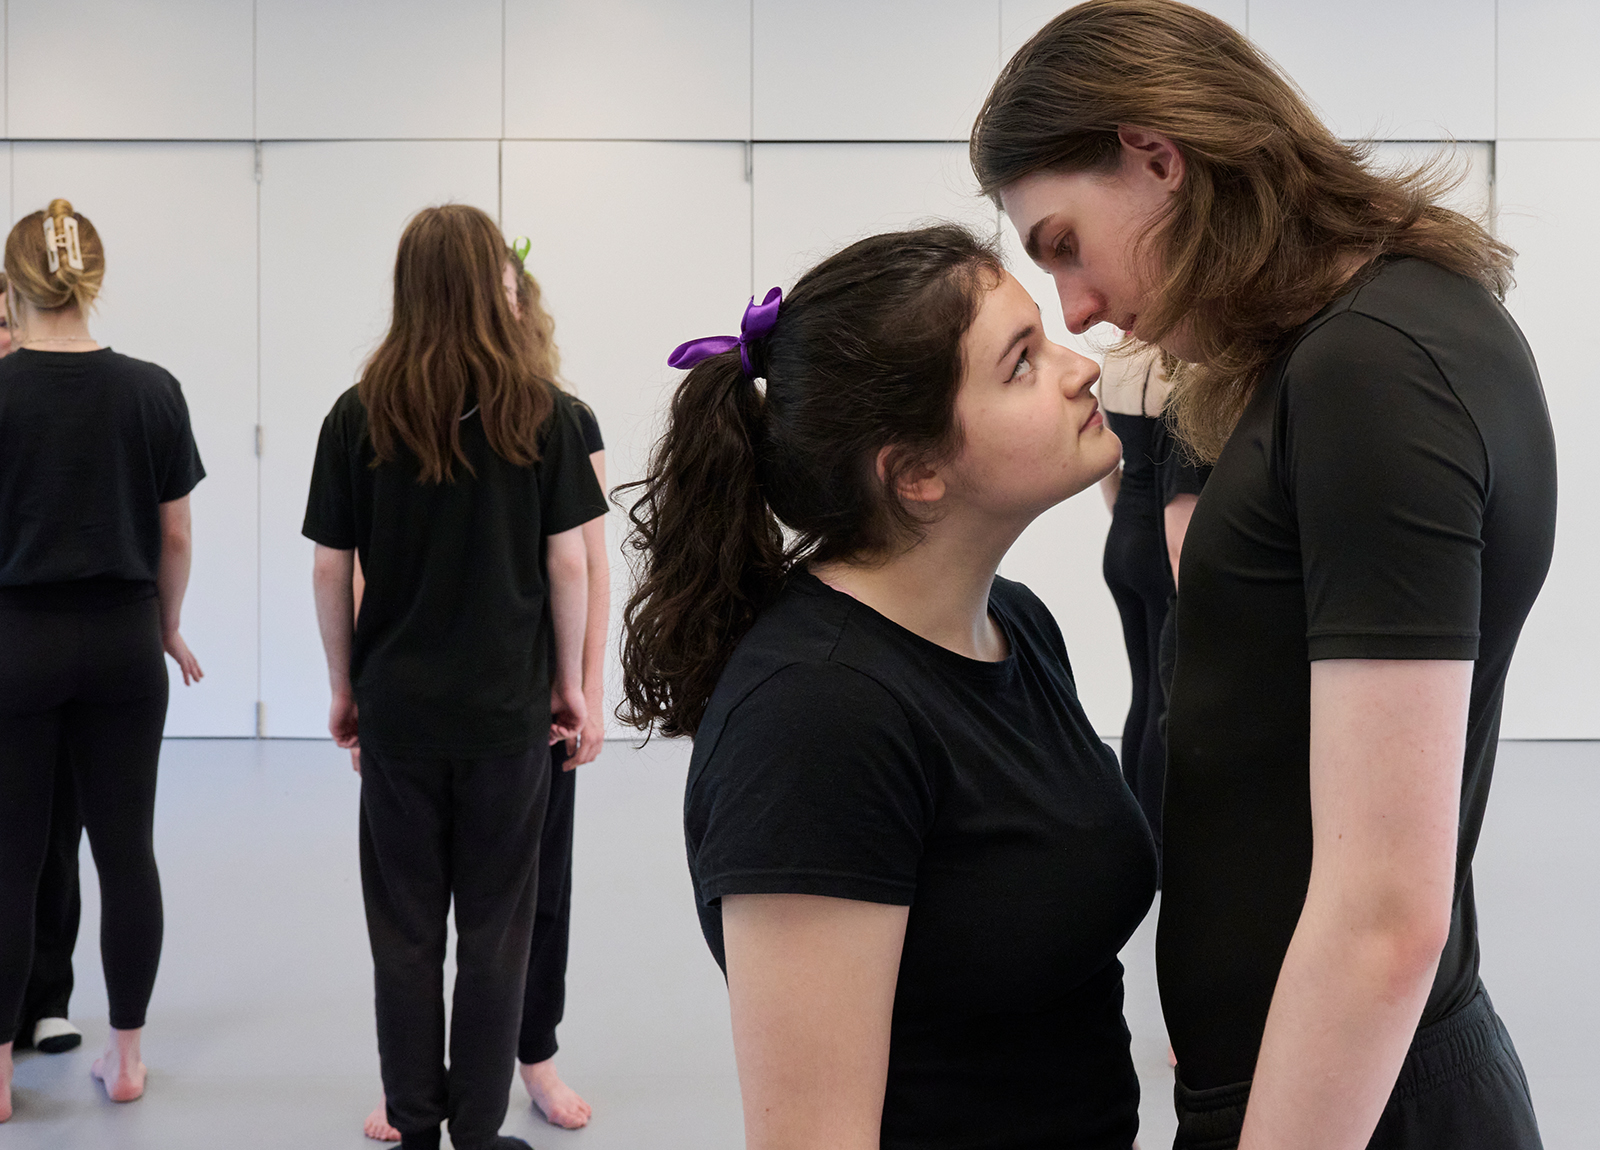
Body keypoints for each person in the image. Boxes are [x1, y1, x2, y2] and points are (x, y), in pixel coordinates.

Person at [970, 3, 1556, 1148]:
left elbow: (1384, 916)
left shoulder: (1373, 368)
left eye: (1063, 243)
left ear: (1154, 156)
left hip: (1354, 1104)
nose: (1078, 307)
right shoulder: (1367, 338)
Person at [621, 224, 1158, 1149]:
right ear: (914, 472)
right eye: (1022, 363)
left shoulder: (1016, 626)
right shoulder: (817, 716)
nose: (1082, 369)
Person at [304, 204, 606, 1150]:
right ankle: (477, 1131)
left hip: (398, 716)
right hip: (504, 719)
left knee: (403, 933)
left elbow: (328, 566)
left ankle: (414, 1122)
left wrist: (345, 688)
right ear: (492, 287)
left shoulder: (358, 414)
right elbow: (570, 563)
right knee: (495, 931)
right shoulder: (542, 414)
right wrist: (573, 684)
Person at [0, 199, 206, 1120]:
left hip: (16, 643)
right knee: (126, 854)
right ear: (92, 278)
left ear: (14, 287)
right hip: (125, 643)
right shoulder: (153, 390)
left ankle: (0, 1079)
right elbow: (176, 534)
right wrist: (165, 626)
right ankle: (124, 1060)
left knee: (7, 860)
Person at [1096, 342, 1172, 864]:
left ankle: (1139, 832)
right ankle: (1162, 843)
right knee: (1167, 698)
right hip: (1164, 548)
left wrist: (1123, 518)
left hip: (1122, 537)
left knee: (1143, 688)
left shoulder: (1116, 362)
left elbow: (1107, 463)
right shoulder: (1176, 371)